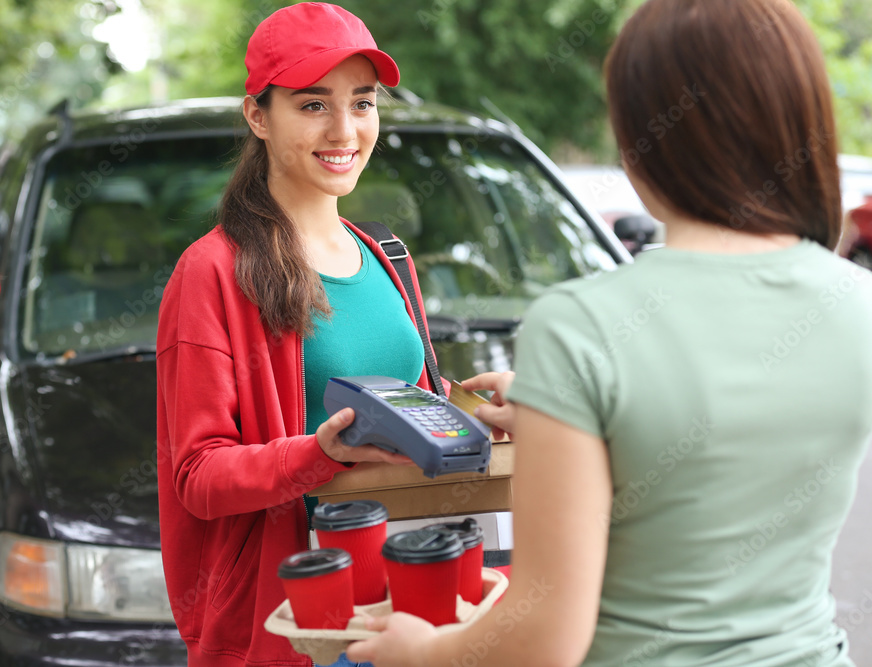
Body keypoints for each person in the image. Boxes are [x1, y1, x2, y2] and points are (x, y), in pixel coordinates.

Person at [347, 0, 872, 665]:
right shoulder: (857, 303)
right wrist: (568, 419)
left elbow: (545, 638)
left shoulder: (581, 326)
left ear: (641, 137)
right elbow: (732, 441)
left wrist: (423, 649)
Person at [156, 4, 448, 666]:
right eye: (313, 105)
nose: (345, 129)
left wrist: (480, 413)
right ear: (259, 116)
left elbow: (409, 410)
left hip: (405, 611)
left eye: (363, 103)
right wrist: (321, 452)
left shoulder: (385, 256)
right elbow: (197, 474)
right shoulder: (213, 272)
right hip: (299, 627)